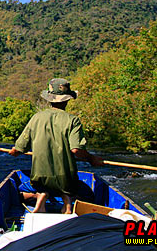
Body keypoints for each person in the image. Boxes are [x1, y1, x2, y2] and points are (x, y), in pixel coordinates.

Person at [9, 78, 103, 214]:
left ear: (50, 99)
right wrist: (91, 158)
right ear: (67, 100)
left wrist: (13, 151)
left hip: (40, 180)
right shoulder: (73, 120)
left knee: (20, 191)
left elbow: (18, 149)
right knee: (87, 194)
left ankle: (40, 196)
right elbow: (76, 150)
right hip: (67, 181)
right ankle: (67, 202)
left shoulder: (36, 118)